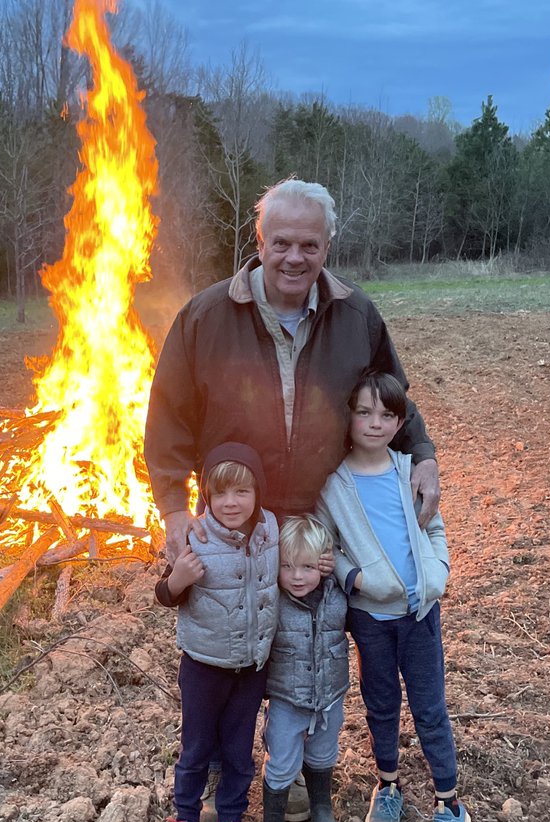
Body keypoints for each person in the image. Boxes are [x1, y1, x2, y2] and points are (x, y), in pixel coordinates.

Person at [144, 177, 441, 568]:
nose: (294, 257)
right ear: (260, 242)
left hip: (324, 520)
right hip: (232, 526)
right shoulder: (205, 317)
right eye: (281, 242)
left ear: (327, 247)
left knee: (321, 627)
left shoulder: (355, 315)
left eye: (309, 245)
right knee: (236, 629)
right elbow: (169, 416)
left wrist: (423, 455)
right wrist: (173, 508)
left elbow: (390, 397)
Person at [315, 372, 471, 822]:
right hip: (370, 618)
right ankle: (389, 785)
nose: (374, 423)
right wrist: (355, 579)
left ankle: (449, 803)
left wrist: (438, 571)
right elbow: (325, 543)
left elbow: (436, 524)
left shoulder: (408, 470)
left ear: (400, 421)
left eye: (386, 415)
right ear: (349, 416)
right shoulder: (333, 482)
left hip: (420, 613)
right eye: (364, 412)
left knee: (429, 707)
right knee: (380, 701)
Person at [155, 442, 279, 822]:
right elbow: (166, 594)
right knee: (195, 749)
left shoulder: (271, 531)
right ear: (206, 494)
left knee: (239, 750)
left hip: (250, 668)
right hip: (204, 666)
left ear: (257, 493)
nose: (231, 503)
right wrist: (179, 579)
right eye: (221, 493)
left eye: (242, 492)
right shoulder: (196, 536)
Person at [260, 515, 349, 822]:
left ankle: (321, 807)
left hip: (330, 696)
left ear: (325, 563)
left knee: (324, 752)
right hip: (286, 698)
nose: (297, 576)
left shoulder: (338, 596)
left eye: (308, 566)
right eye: (288, 566)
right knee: (281, 760)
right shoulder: (274, 602)